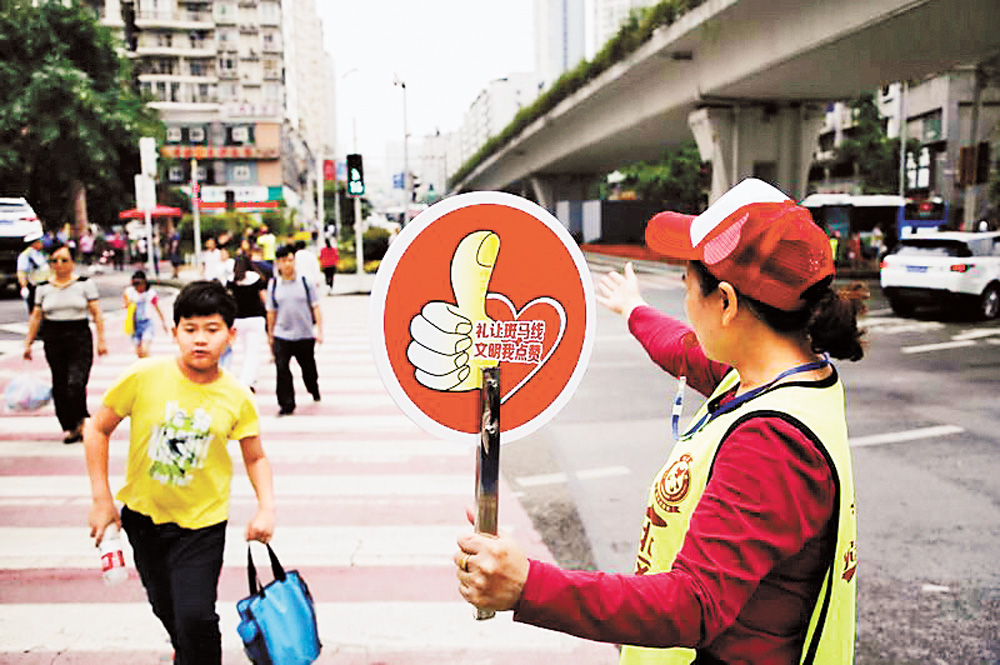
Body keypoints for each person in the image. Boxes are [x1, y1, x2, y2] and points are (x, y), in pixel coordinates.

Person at [455, 179, 865, 665]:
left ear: (728, 304)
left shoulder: (771, 441)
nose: (686, 305)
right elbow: (683, 349)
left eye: (688, 287)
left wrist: (528, 586)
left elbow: (693, 604)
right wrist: (635, 309)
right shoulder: (781, 374)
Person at [83, 280, 276, 665]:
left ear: (231, 335)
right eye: (190, 329)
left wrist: (266, 507)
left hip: (202, 526)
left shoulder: (237, 395)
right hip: (143, 520)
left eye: (211, 329)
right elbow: (97, 428)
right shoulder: (144, 375)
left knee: (197, 616)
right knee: (167, 609)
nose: (199, 340)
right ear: (174, 333)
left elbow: (255, 456)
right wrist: (102, 500)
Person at [23, 242, 108, 443]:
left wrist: (101, 340)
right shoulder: (43, 288)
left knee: (76, 382)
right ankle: (71, 426)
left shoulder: (84, 284)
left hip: (79, 335)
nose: (59, 264)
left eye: (64, 260)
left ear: (72, 262)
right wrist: (28, 343)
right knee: (60, 384)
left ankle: (82, 421)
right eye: (54, 261)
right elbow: (36, 316)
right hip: (54, 336)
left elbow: (96, 313)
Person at [266, 244, 323, 416]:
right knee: (282, 368)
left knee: (308, 368)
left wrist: (320, 330)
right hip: (282, 335)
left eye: (290, 260)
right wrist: (270, 334)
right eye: (283, 261)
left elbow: (316, 307)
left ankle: (313, 388)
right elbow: (271, 311)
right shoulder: (274, 285)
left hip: (304, 335)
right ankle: (286, 404)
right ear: (278, 264)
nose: (288, 264)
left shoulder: (306, 282)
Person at [226, 254, 268, 392]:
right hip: (256, 318)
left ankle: (248, 377)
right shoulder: (255, 278)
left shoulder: (231, 280)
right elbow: (263, 298)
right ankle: (247, 380)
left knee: (245, 349)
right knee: (253, 352)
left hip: (238, 320)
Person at [122, 270, 169, 358]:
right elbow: (124, 305)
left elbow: (157, 308)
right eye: (135, 284)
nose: (137, 287)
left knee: (145, 349)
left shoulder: (151, 293)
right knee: (139, 353)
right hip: (134, 324)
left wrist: (164, 323)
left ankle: (149, 368)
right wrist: (128, 303)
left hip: (147, 323)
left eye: (139, 283)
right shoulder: (129, 292)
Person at [16, 230, 49, 315]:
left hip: (46, 285)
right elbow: (22, 272)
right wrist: (24, 287)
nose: (42, 243)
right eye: (39, 241)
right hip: (35, 287)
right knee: (35, 311)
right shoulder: (25, 256)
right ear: (34, 243)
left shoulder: (41, 253)